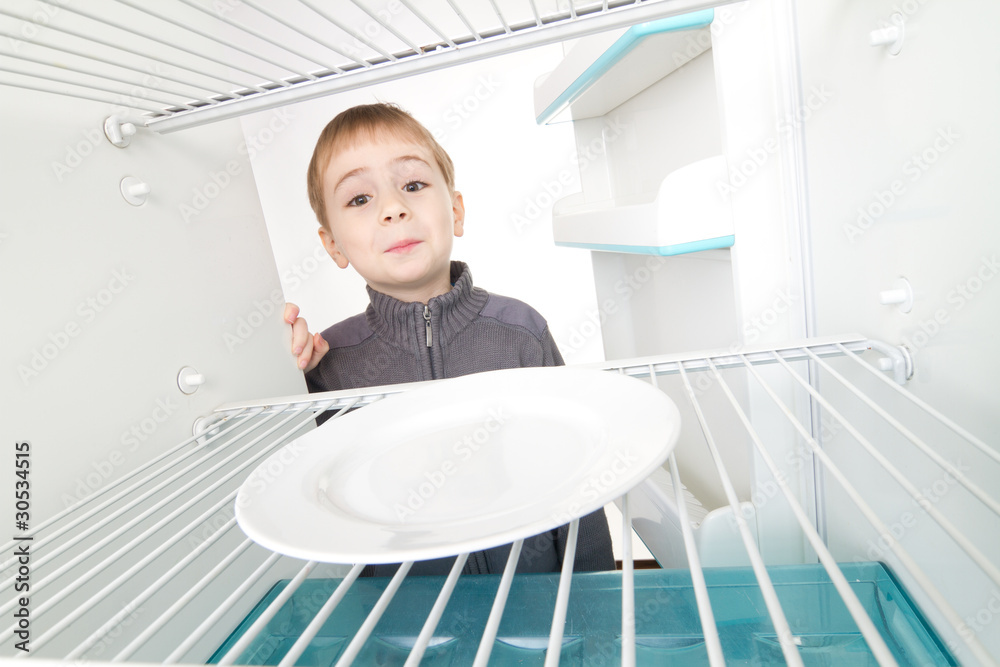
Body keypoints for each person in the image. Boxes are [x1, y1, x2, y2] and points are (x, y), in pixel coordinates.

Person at [284, 102, 614, 577]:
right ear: (333, 244)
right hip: (403, 628)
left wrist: (593, 603)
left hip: (536, 606)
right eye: (359, 199)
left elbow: (577, 479)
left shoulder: (521, 332)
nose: (394, 208)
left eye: (413, 186)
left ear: (455, 210)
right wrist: (288, 374)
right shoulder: (329, 365)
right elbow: (312, 500)